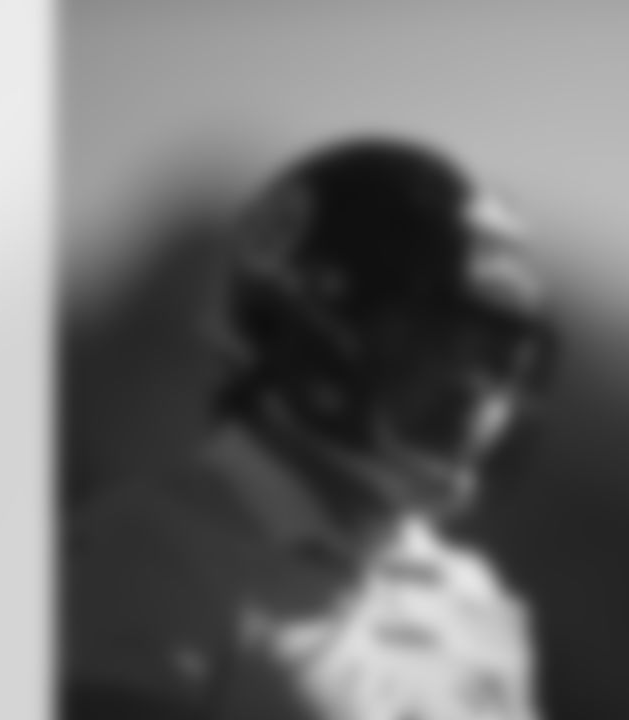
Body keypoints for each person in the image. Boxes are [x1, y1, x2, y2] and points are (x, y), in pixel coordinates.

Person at [61, 137, 560, 720]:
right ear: (301, 328)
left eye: (500, 359)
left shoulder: (479, 606)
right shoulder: (145, 555)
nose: (478, 394)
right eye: (436, 343)